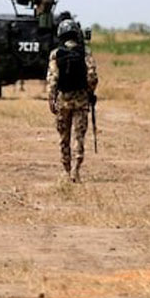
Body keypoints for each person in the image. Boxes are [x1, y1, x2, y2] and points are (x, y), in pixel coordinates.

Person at [46, 19, 98, 182]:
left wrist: (51, 98)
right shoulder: (85, 52)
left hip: (63, 101)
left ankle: (66, 170)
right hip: (81, 101)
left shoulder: (56, 54)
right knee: (79, 136)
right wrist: (89, 93)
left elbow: (53, 79)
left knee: (64, 137)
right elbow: (92, 76)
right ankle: (76, 169)